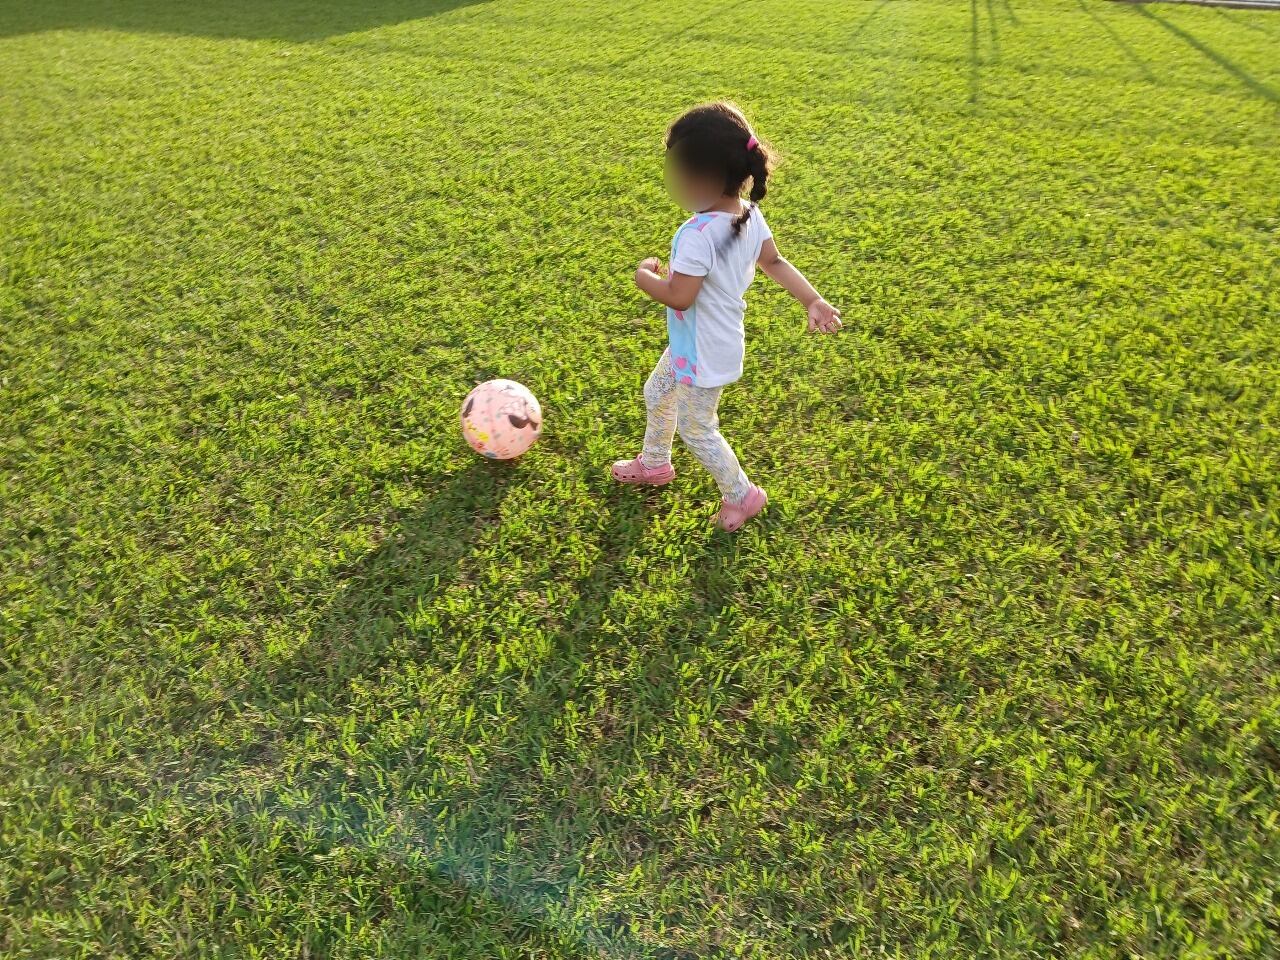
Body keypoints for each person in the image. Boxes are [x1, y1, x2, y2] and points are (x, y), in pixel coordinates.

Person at [613, 101, 842, 532]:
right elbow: (774, 262)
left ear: (701, 176)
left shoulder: (696, 234)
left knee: (698, 430)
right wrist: (812, 299)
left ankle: (742, 495)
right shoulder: (750, 215)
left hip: (702, 353)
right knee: (657, 393)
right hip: (705, 342)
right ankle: (655, 463)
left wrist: (644, 277)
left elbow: (679, 297)